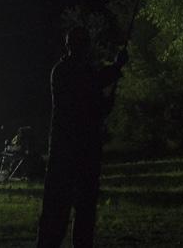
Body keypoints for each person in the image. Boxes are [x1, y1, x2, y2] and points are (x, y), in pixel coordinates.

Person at [36, 27, 127, 247]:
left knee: (80, 207)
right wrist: (116, 66)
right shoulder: (65, 71)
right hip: (70, 150)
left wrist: (106, 100)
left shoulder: (69, 70)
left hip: (76, 149)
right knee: (61, 209)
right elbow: (91, 85)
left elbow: (94, 103)